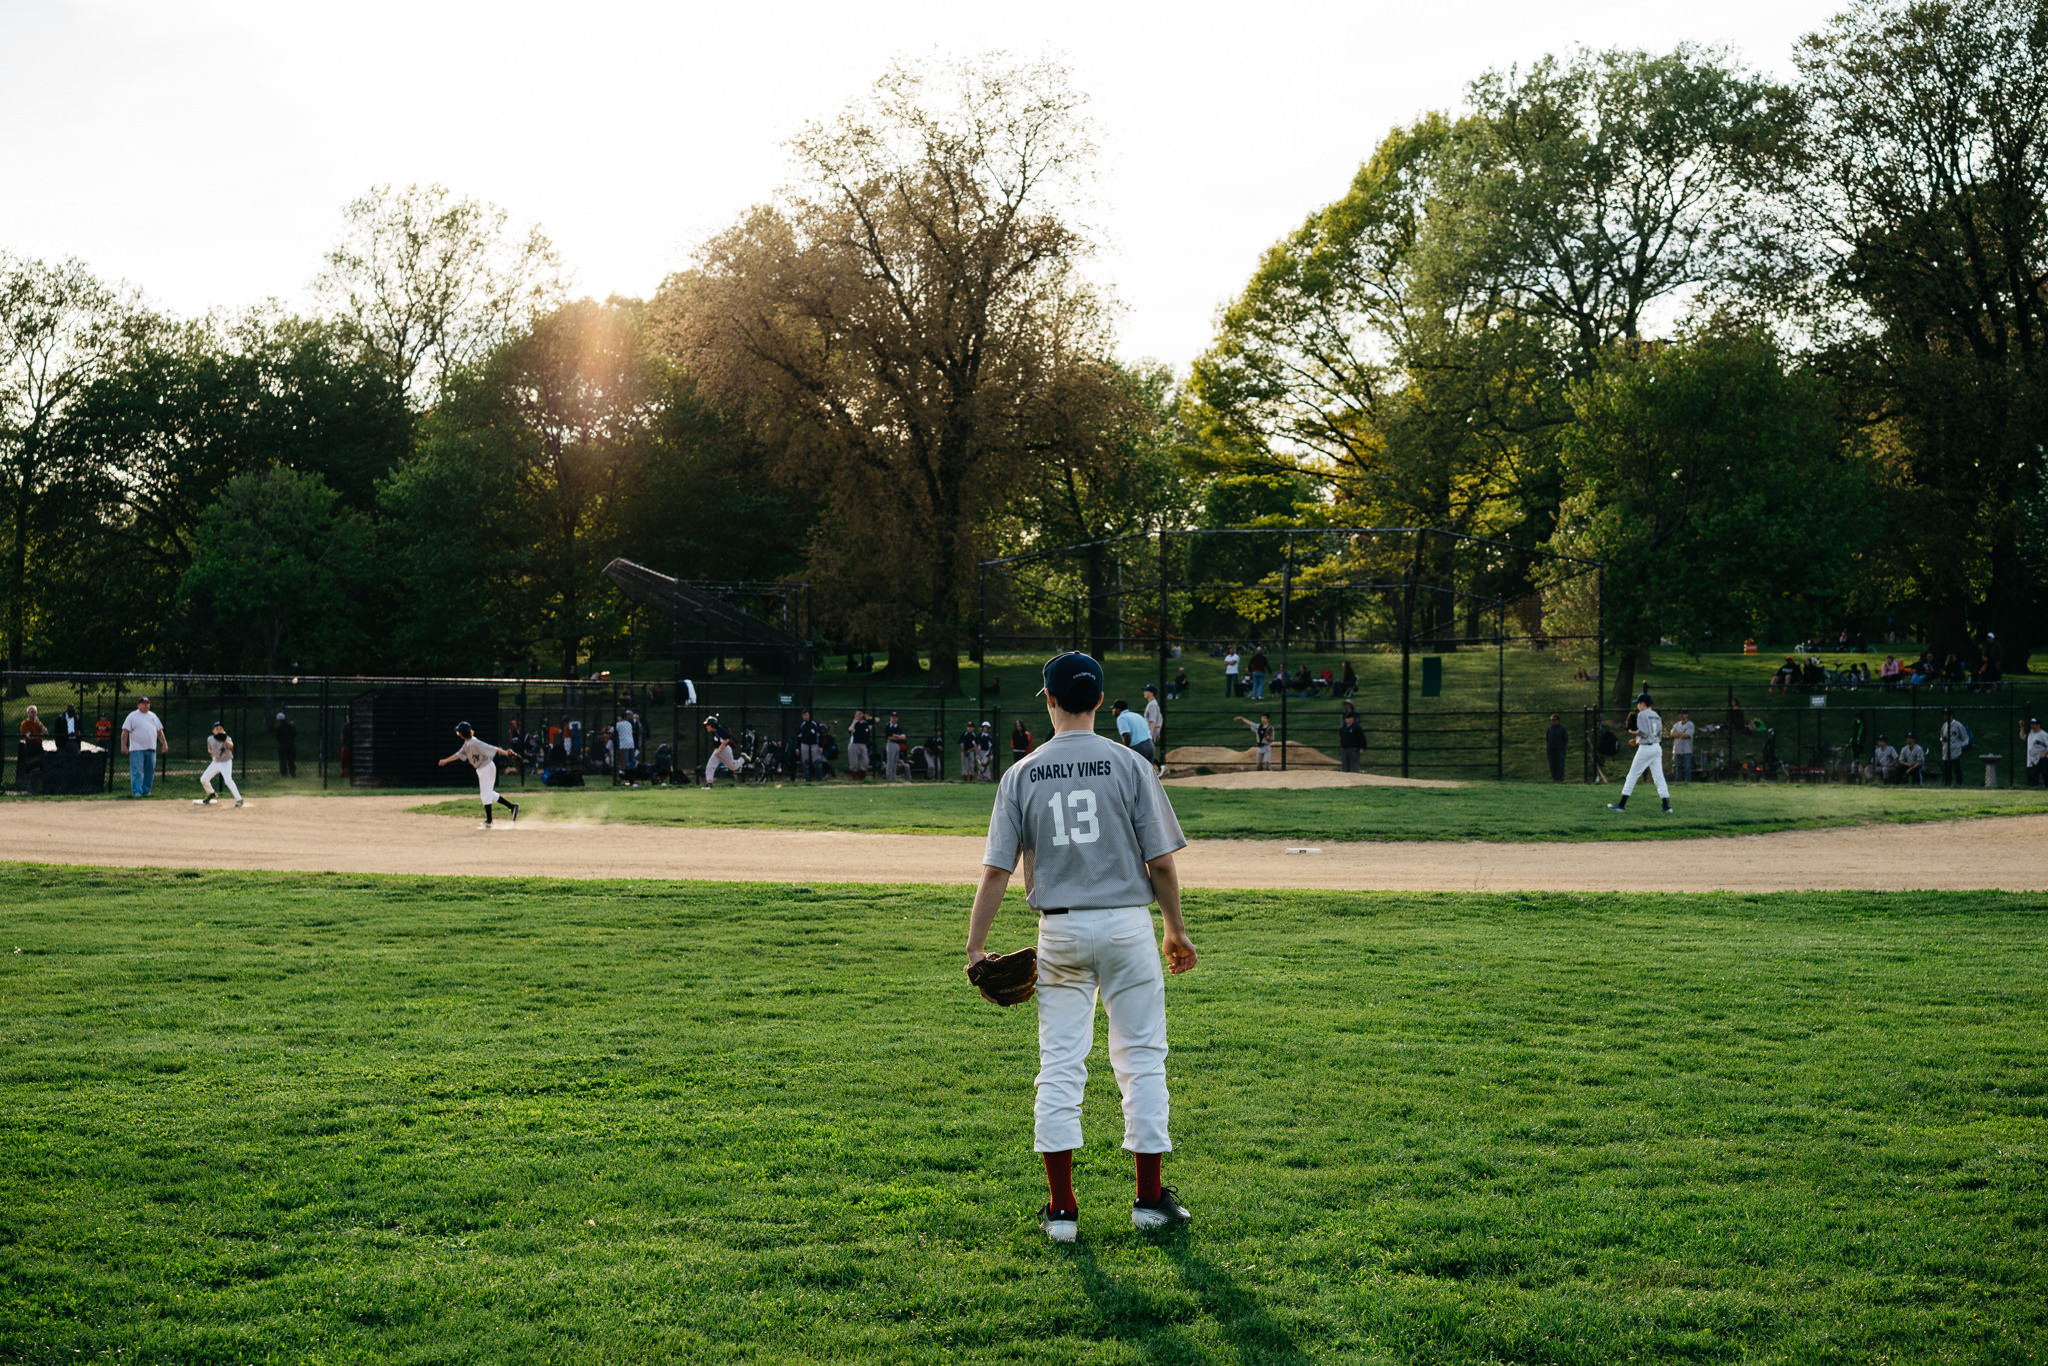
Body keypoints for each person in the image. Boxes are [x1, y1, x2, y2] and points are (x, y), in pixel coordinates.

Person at [965, 650, 1196, 1244]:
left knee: (1061, 1063)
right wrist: (1173, 927)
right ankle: (1149, 1200)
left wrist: (975, 949)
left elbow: (996, 872)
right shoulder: (1130, 764)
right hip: (1125, 925)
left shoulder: (1022, 772)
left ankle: (1062, 1210)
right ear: (1099, 700)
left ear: (1047, 699)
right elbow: (1161, 863)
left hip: (1060, 932)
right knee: (1142, 1058)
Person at [438, 721, 519, 827]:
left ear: (461, 733)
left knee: (485, 795)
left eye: (459, 732)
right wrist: (446, 760)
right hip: (483, 769)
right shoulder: (467, 744)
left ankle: (489, 821)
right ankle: (512, 807)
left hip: (486, 768)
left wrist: (505, 753)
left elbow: (492, 748)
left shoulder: (474, 743)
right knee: (489, 794)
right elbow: (459, 754)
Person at [1606, 692, 1672, 814]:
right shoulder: (1657, 715)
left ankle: (1621, 805)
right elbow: (1657, 734)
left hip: (1646, 749)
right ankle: (1666, 805)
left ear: (1643, 704)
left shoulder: (1642, 714)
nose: (1638, 706)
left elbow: (1644, 732)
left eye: (1638, 704)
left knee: (1632, 775)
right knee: (1659, 777)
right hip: (1657, 747)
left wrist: (1633, 732)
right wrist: (1637, 741)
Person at [119, 696, 169, 798]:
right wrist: (123, 746)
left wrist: (164, 743)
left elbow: (159, 732)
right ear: (139, 705)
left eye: (148, 703)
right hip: (137, 749)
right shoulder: (132, 716)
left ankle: (146, 791)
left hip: (151, 748)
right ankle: (137, 791)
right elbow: (125, 732)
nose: (146, 705)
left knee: (149, 771)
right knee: (137, 771)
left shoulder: (153, 716)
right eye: (144, 703)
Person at [195, 720, 244, 807]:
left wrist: (225, 740)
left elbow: (231, 746)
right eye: (217, 728)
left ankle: (239, 799)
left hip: (226, 762)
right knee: (203, 779)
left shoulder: (226, 738)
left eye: (221, 728)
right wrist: (214, 760)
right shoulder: (210, 739)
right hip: (216, 762)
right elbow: (211, 752)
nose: (219, 730)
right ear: (213, 731)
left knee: (228, 780)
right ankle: (211, 794)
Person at [1112, 698, 1158, 769]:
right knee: (1148, 774)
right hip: (1150, 746)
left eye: (1114, 709)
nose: (1113, 711)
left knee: (1134, 774)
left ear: (1118, 709)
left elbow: (1126, 735)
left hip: (1138, 748)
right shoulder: (1137, 715)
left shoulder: (1121, 718)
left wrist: (1126, 749)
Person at [702, 715, 743, 787]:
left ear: (712, 725)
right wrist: (717, 750)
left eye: (708, 725)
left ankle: (743, 758)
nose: (706, 726)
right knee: (710, 766)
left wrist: (719, 750)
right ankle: (709, 784)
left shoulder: (719, 729)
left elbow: (726, 739)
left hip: (724, 750)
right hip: (718, 749)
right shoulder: (714, 731)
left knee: (733, 767)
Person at [1938, 708, 1970, 787]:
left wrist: (1961, 746)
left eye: (1947, 715)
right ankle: (1947, 783)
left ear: (1951, 715)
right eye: (1944, 715)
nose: (1945, 716)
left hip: (1955, 750)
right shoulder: (1944, 725)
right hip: (1946, 750)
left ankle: (1959, 783)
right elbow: (1941, 736)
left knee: (1956, 768)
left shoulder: (1958, 725)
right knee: (1947, 769)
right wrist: (1943, 739)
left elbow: (1965, 738)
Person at [795, 709, 826, 783]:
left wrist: (821, 746)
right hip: (804, 745)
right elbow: (798, 737)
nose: (806, 717)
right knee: (806, 763)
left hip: (814, 745)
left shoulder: (814, 724)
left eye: (807, 715)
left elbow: (820, 736)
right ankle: (807, 780)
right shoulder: (802, 725)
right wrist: (797, 748)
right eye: (804, 715)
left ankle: (820, 779)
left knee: (817, 762)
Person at [1669, 709, 1695, 784]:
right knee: (1677, 768)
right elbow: (1672, 734)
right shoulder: (1676, 724)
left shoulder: (1690, 724)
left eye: (1683, 714)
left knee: (1687, 768)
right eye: (1680, 714)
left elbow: (1687, 735)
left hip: (1687, 750)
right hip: (1677, 750)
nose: (1681, 715)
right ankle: (1678, 783)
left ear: (1687, 715)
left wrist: (1678, 734)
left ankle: (1688, 782)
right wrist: (1681, 734)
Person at [847, 709, 874, 781]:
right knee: (854, 763)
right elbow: (850, 729)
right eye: (858, 714)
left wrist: (868, 717)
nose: (859, 715)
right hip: (854, 744)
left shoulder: (865, 723)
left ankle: (862, 778)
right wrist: (854, 720)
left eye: (860, 714)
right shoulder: (854, 723)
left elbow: (877, 720)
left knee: (865, 762)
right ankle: (854, 779)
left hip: (863, 744)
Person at [1143, 684, 1165, 771]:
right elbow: (1161, 719)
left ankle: (1158, 767)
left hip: (1150, 731)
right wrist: (1158, 731)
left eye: (1146, 691)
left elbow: (1153, 721)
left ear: (1151, 693)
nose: (1144, 692)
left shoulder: (1152, 705)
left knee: (1147, 752)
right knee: (1148, 752)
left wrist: (1151, 734)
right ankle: (1159, 766)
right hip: (1152, 731)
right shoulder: (1153, 704)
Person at [1341, 701, 1367, 774]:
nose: (1347, 720)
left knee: (1354, 766)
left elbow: (1362, 738)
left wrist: (1362, 747)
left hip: (1354, 748)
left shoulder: (1356, 727)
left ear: (1352, 719)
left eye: (1348, 718)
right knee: (1345, 766)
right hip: (1345, 748)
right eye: (1346, 719)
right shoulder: (1343, 728)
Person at [883, 711, 909, 782]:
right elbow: (889, 737)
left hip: (897, 745)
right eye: (892, 717)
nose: (894, 719)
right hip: (891, 744)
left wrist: (896, 736)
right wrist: (898, 737)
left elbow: (904, 737)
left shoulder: (898, 727)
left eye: (895, 717)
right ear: (890, 718)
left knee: (895, 761)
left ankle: (894, 778)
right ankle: (889, 777)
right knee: (890, 761)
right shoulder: (888, 726)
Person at [1543, 712, 1568, 783]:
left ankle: (1560, 779)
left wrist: (1564, 748)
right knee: (1552, 765)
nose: (1553, 721)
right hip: (1551, 750)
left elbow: (1565, 739)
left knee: (1559, 765)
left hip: (1559, 750)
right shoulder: (1549, 729)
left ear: (1558, 720)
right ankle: (1554, 779)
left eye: (1554, 720)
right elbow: (1547, 739)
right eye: (1552, 720)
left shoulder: (1562, 729)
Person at [275, 711, 297, 777]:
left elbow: (277, 737)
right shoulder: (290, 726)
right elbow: (294, 734)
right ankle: (292, 773)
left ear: (278, 720)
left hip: (282, 746)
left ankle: (284, 774)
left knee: (282, 761)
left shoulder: (279, 728)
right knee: (291, 760)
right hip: (290, 745)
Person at [2027, 717, 2046, 789]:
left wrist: (2044, 754)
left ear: (2038, 725)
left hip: (2042, 758)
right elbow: (2022, 737)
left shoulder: (2043, 734)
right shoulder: (2030, 733)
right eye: (2031, 724)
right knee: (2033, 775)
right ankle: (2034, 788)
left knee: (2045, 774)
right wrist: (2022, 727)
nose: (2032, 726)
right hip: (2032, 759)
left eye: (2034, 724)